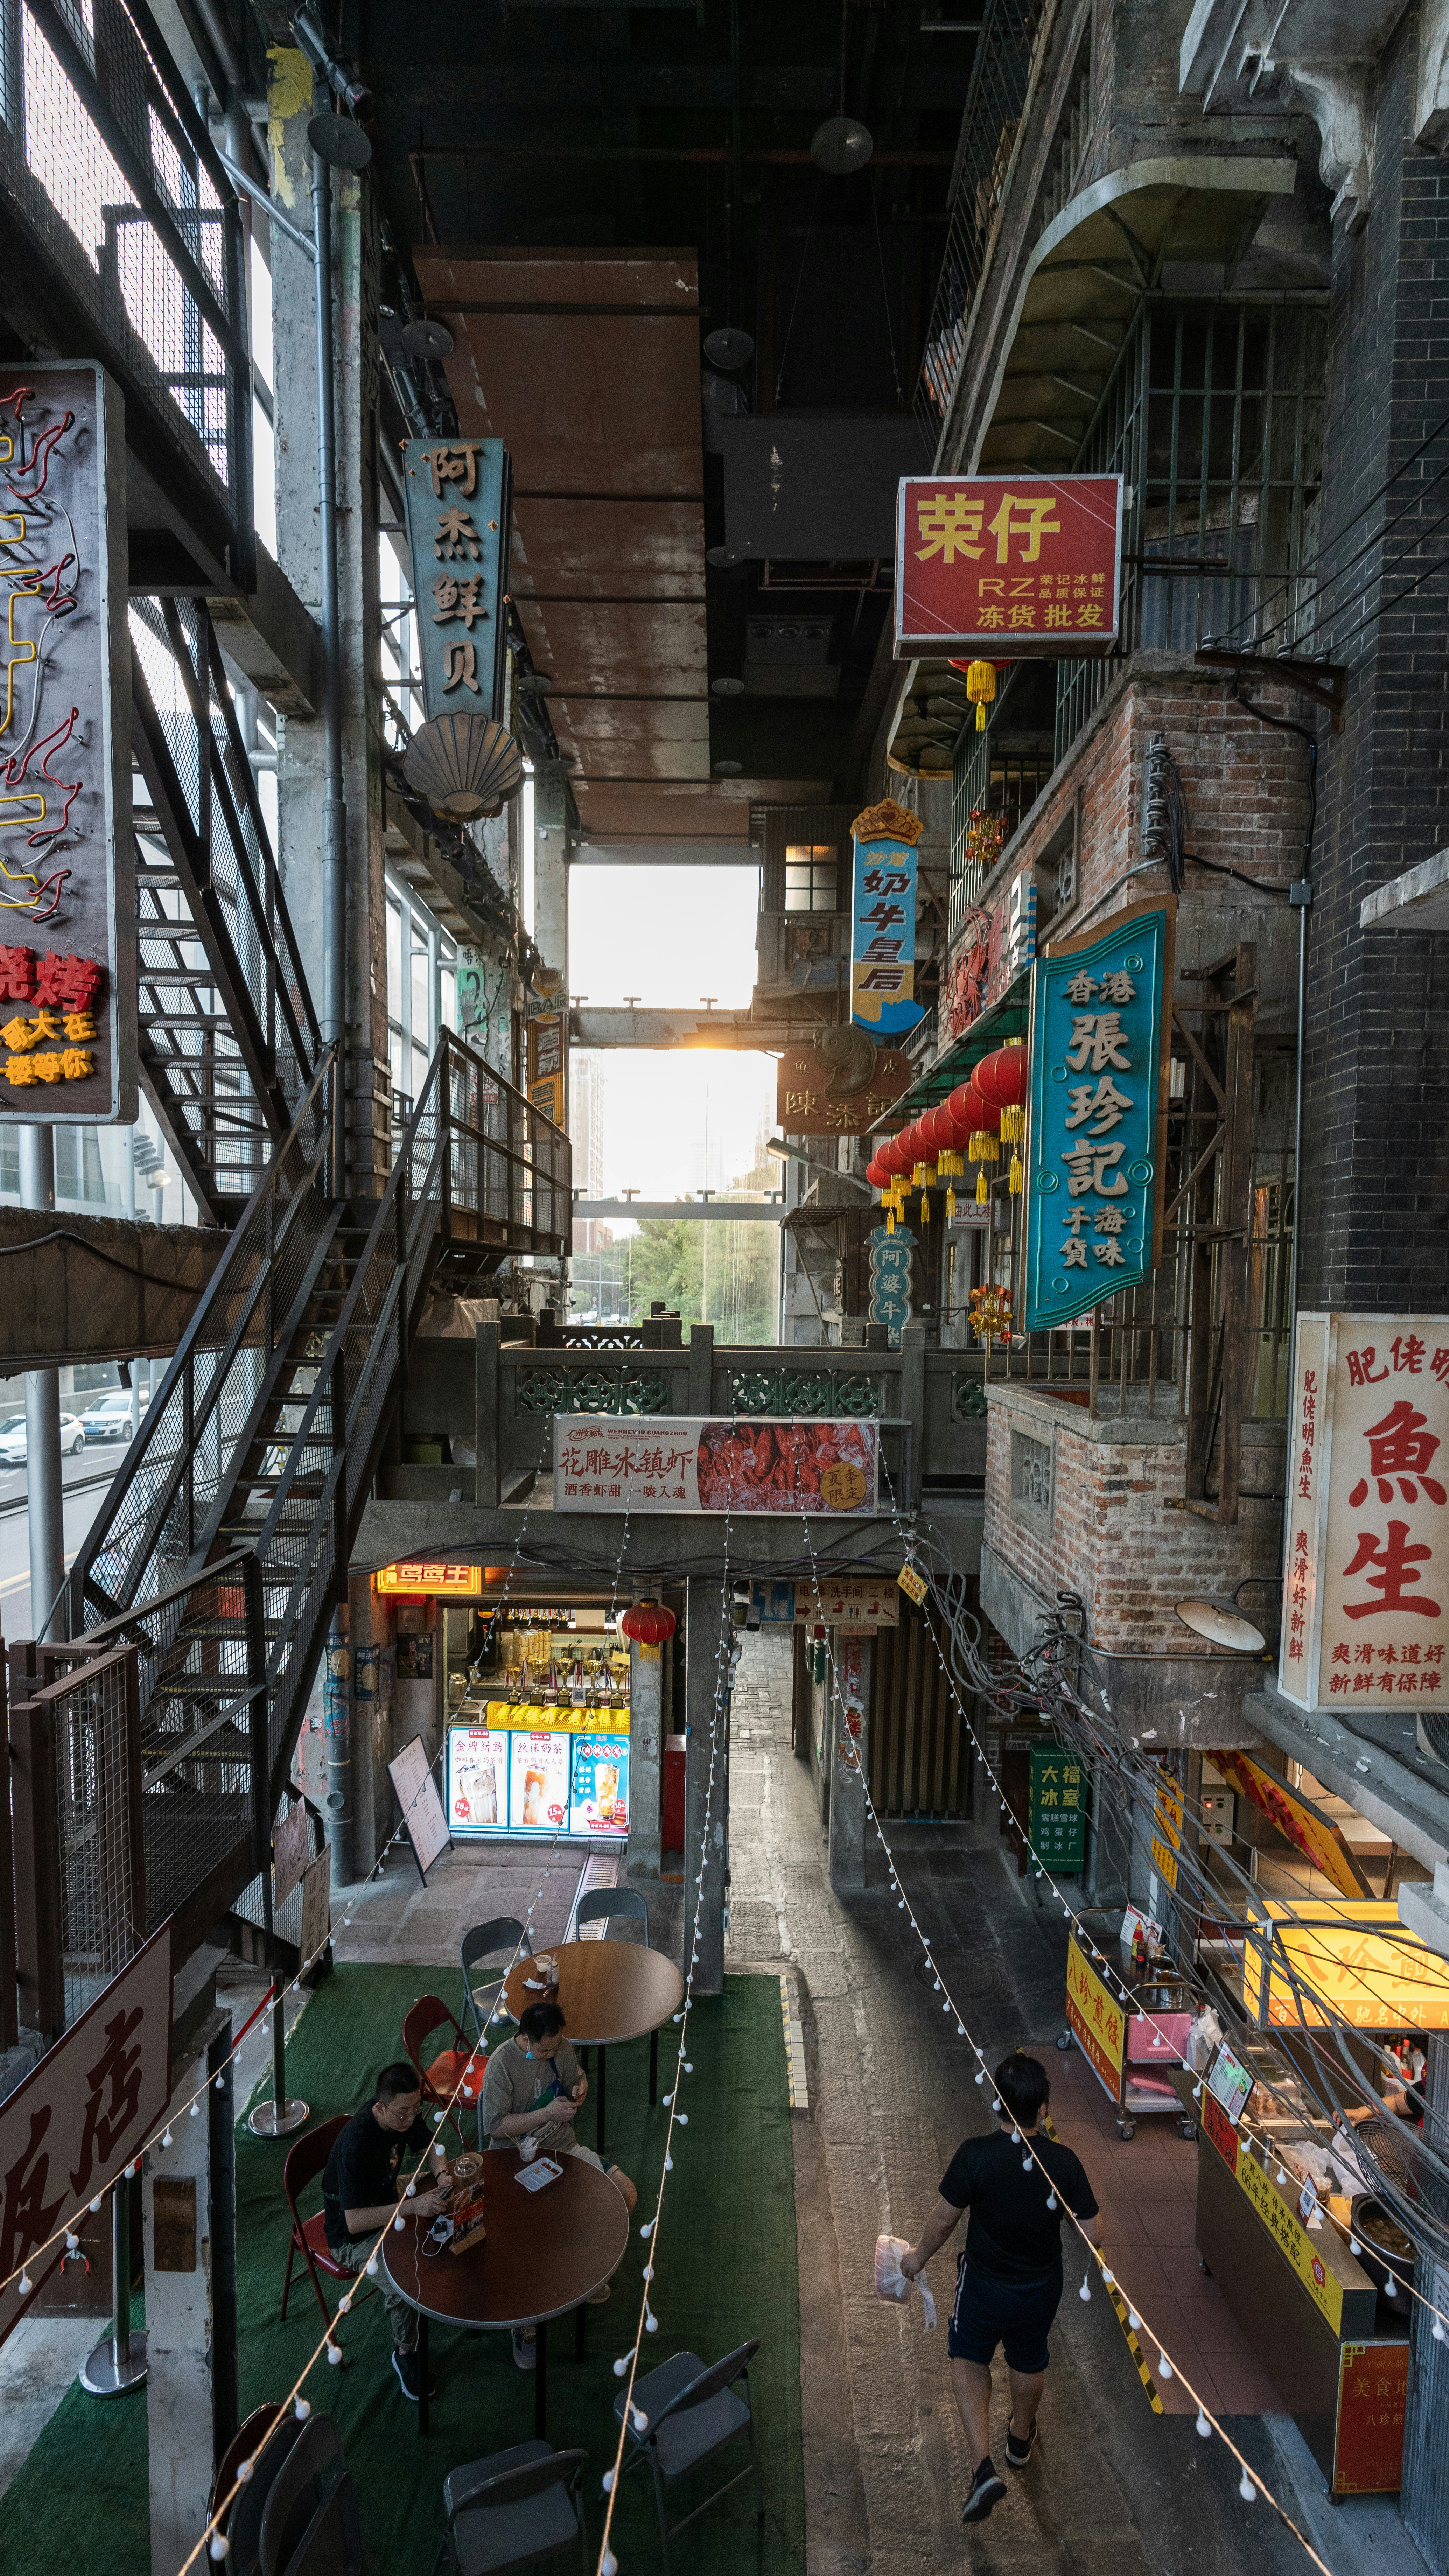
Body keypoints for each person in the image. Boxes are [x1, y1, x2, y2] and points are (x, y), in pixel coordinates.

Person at [901, 2051, 1101, 2526]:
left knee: (970, 2358)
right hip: (1040, 2287)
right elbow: (1093, 2235)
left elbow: (945, 2219)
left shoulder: (977, 2155)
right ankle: (1019, 2439)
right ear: (1044, 2109)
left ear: (998, 2104)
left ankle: (981, 2467)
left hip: (985, 2284)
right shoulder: (1063, 2164)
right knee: (1029, 2359)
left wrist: (916, 2260)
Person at [480, 1999, 637, 2371]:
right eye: (544, 2049)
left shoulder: (560, 2047)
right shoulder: (502, 2064)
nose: (552, 2052)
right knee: (529, 2238)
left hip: (564, 2147)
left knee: (625, 2195)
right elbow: (496, 2127)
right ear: (524, 2037)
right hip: (514, 2159)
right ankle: (524, 2325)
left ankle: (583, 2272)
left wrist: (580, 2086)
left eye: (556, 2046)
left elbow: (575, 2076)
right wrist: (546, 2113)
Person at [322, 2062, 453, 2402]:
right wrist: (412, 2207)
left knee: (452, 2194)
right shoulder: (357, 2144)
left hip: (389, 2195)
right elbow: (353, 2222)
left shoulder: (403, 2111)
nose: (410, 2120)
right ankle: (406, 2354)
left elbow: (434, 2146)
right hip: (353, 2235)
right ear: (380, 2107)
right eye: (403, 2114)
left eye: (416, 2110)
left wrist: (442, 2177)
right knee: (404, 2281)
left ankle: (445, 2289)